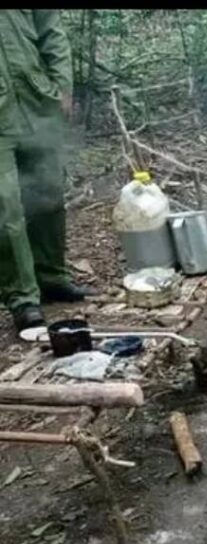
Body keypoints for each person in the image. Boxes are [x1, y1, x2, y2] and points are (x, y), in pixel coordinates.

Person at [0, 10, 93, 333]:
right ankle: (22, 298)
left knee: (48, 191)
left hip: (36, 99)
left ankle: (51, 276)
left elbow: (51, 30)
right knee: (5, 206)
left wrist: (62, 86)